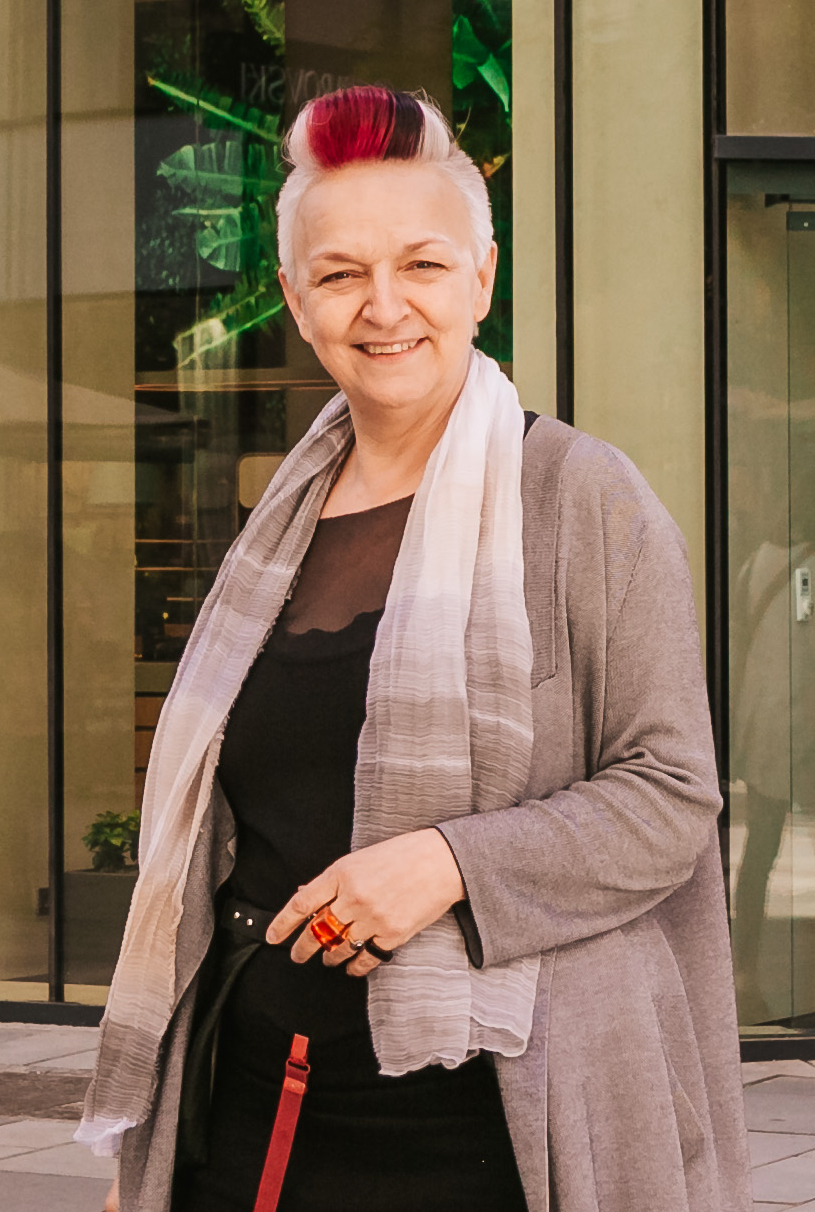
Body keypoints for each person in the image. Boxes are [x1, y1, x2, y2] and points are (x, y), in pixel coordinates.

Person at [81, 87, 749, 1212]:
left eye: (423, 265)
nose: (383, 305)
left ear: (481, 279)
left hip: (498, 1117)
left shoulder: (580, 498)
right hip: (258, 1105)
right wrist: (142, 1163)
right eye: (340, 273)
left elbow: (672, 794)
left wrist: (447, 864)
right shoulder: (276, 527)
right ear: (296, 301)